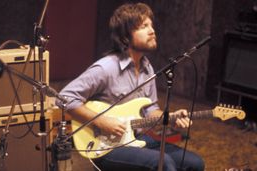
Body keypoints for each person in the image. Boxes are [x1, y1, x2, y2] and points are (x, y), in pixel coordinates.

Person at [58, 2, 205, 171]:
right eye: (144, 26)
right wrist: (102, 121)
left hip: (135, 137)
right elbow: (64, 97)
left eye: (151, 25)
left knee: (194, 163)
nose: (152, 30)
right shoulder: (106, 68)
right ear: (125, 36)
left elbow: (150, 110)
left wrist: (170, 118)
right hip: (105, 146)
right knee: (164, 163)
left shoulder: (147, 67)